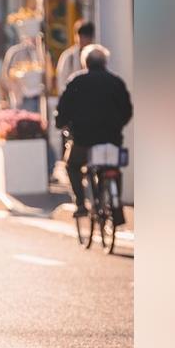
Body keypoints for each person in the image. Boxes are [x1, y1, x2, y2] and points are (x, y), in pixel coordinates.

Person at [54, 44, 133, 219]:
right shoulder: (116, 82)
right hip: (111, 140)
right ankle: (116, 204)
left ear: (85, 63)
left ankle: (81, 204)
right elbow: (127, 110)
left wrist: (61, 124)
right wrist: (117, 125)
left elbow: (63, 111)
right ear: (105, 62)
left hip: (83, 140)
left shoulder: (76, 82)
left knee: (72, 166)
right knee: (113, 167)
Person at [1, 33, 52, 113]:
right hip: (24, 99)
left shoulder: (44, 53)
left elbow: (49, 74)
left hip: (42, 97)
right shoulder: (15, 52)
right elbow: (6, 76)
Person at [55, 20, 94, 95]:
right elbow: (61, 82)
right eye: (80, 36)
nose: (82, 39)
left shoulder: (96, 56)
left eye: (85, 36)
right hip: (74, 98)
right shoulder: (69, 57)